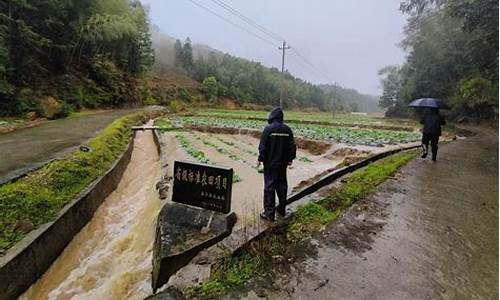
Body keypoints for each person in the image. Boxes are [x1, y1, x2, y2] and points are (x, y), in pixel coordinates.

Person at [257, 107, 296, 221]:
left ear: (272, 117)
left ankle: (269, 214)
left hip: (270, 165)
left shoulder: (268, 129)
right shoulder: (288, 130)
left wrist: (260, 158)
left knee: (269, 187)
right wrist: (290, 159)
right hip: (282, 165)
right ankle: (281, 209)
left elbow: (263, 147)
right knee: (282, 186)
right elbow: (292, 147)